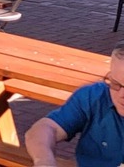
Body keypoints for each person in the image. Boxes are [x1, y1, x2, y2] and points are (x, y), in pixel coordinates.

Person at [25, 39, 124, 167]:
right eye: (115, 84)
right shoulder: (94, 97)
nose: (122, 95)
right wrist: (44, 161)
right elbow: (45, 128)